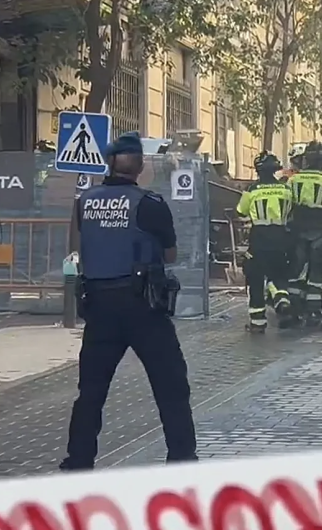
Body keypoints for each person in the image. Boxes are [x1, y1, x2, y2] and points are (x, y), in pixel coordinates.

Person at [60, 131, 197, 471]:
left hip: (99, 307)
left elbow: (75, 247)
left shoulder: (84, 201)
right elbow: (170, 253)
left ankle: (78, 461)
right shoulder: (149, 204)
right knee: (170, 385)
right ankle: (181, 458)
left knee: (91, 391)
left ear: (110, 162)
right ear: (140, 166)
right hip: (143, 308)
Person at [236, 152, 293, 332]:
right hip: (281, 236)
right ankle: (282, 300)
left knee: (256, 278)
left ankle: (257, 323)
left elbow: (241, 211)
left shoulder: (252, 190)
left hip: (259, 238)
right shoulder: (286, 190)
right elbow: (291, 211)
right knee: (279, 273)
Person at [286, 140, 322, 326]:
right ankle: (314, 311)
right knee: (317, 274)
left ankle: (293, 311)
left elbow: (288, 207)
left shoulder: (293, 180)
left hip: (298, 232)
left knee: (295, 272)